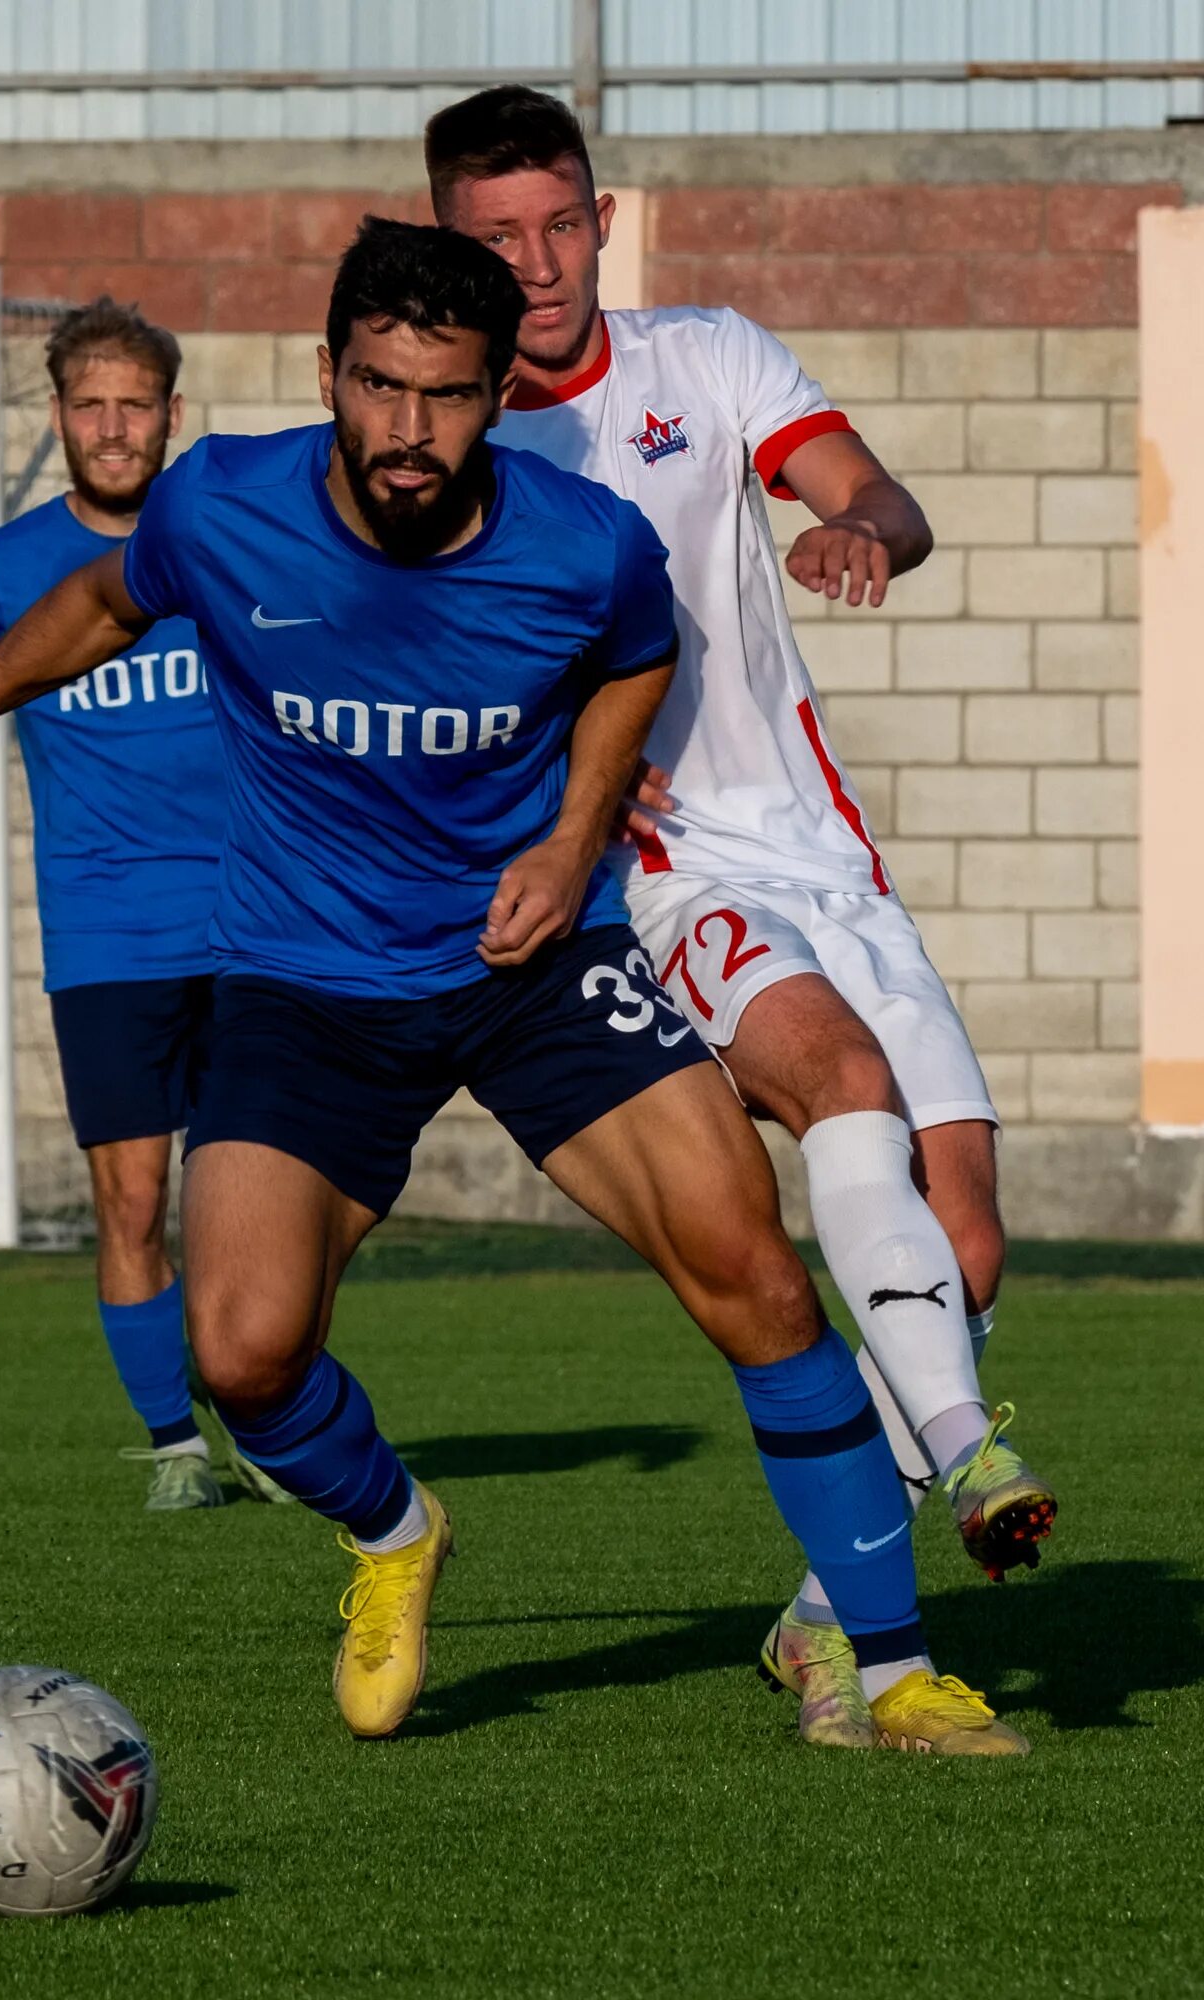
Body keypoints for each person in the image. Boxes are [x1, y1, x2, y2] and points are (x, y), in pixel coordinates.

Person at [0, 219, 1025, 1756]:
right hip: (303, 984)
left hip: (537, 968)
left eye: (446, 396)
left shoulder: (580, 540)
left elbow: (636, 660)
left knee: (761, 1279)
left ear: (493, 394)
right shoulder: (225, 507)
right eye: (379, 387)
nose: (407, 430)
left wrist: (578, 831)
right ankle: (394, 1535)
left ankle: (895, 1666)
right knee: (243, 1353)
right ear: (329, 373)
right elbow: (102, 606)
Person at [423, 87, 1059, 1718]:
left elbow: (885, 497)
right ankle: (968, 1459)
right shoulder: (460, 447)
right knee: (841, 1084)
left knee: (966, 1238)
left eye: (562, 223)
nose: (540, 261)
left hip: (822, 846)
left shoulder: (706, 357)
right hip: (657, 868)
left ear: (601, 218)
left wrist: (860, 528)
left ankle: (820, 1611)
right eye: (501, 235)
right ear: (452, 242)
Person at [0, 298, 283, 1514]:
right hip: (107, 932)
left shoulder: (231, 540)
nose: (114, 426)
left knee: (264, 1203)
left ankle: (285, 1432)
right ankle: (176, 1450)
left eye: (136, 405)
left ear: (172, 418)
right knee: (132, 1196)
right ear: (59, 418)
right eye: (91, 405)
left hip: (259, 919)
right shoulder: (1, 570)